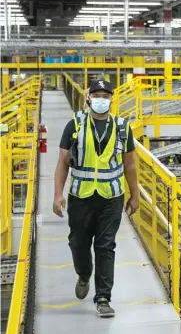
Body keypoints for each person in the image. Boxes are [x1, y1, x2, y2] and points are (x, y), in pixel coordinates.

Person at [53, 79, 139, 318]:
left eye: (106, 95)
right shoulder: (75, 126)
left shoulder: (123, 128)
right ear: (88, 97)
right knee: (78, 244)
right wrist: (58, 194)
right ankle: (83, 274)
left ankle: (103, 297)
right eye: (97, 94)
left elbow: (129, 164)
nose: (102, 99)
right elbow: (62, 163)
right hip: (80, 197)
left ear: (112, 99)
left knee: (105, 246)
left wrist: (135, 195)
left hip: (111, 198)